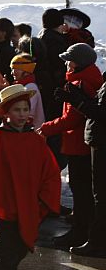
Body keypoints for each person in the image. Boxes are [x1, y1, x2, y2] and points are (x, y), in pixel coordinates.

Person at [0, 84, 61, 270]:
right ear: (6, 113)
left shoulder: (36, 140)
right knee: (3, 246)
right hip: (4, 203)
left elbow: (50, 172)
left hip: (28, 203)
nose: (22, 114)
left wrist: (44, 198)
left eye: (25, 109)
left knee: (20, 245)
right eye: (17, 110)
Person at [38, 43, 103, 249]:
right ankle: (84, 231)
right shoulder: (92, 79)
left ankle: (80, 232)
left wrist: (45, 128)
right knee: (85, 192)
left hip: (78, 144)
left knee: (81, 192)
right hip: (85, 145)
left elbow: (71, 119)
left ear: (77, 63)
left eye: (69, 60)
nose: (66, 64)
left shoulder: (79, 83)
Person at [56, 74, 106, 257]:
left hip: (102, 142)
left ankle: (97, 243)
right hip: (98, 141)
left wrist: (78, 101)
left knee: (100, 196)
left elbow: (100, 113)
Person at [0, 53, 46, 127]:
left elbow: (27, 115)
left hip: (32, 131)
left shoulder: (30, 87)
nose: (12, 73)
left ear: (24, 69)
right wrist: (6, 90)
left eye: (14, 69)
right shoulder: (25, 86)